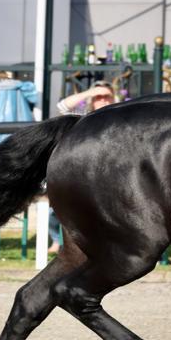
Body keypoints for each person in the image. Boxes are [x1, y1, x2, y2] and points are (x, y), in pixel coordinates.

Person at [46, 83, 119, 254]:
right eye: (98, 97)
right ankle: (58, 241)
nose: (103, 100)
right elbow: (62, 107)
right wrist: (91, 92)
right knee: (56, 209)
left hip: (112, 175)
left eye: (107, 97)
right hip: (82, 174)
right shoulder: (84, 116)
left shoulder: (122, 116)